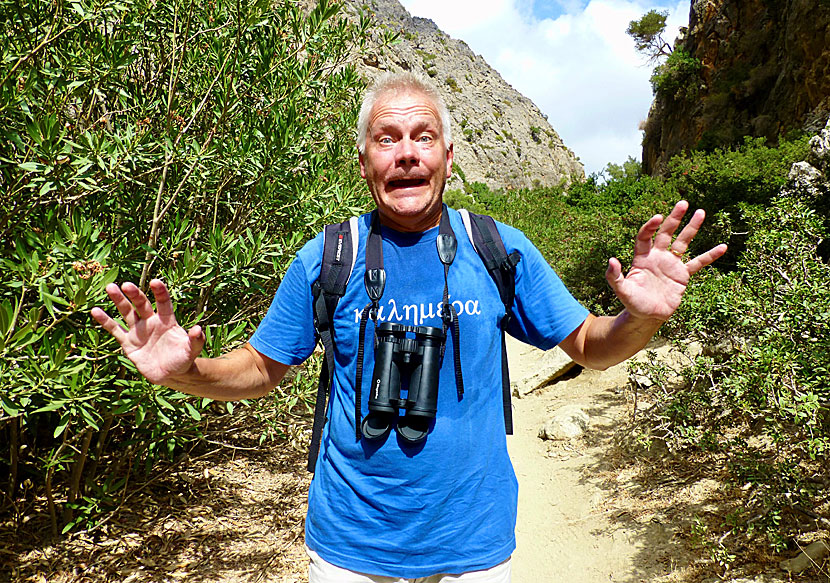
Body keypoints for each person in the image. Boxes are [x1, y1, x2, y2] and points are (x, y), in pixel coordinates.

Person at [91, 72, 727, 582]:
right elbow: (261, 369)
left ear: (448, 157)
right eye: (387, 138)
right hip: (350, 547)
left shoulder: (498, 248)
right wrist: (188, 373)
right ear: (365, 159)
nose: (405, 154)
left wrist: (639, 316)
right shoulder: (328, 256)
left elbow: (591, 347)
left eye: (423, 137)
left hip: (473, 540)